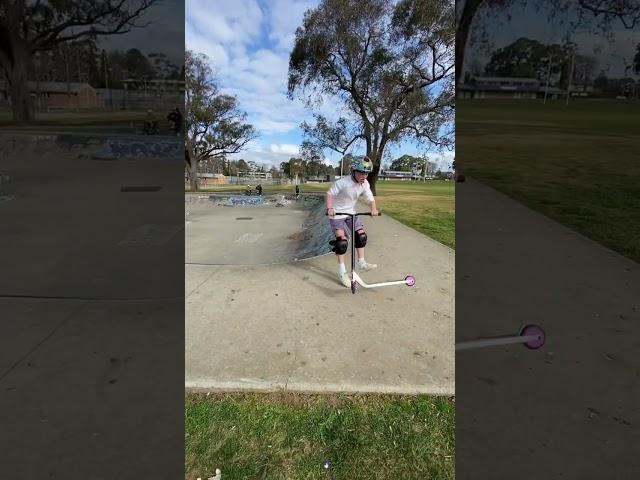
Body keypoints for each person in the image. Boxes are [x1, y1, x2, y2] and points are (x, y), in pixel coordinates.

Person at [326, 156, 379, 288]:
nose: (364, 176)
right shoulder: (343, 182)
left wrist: (373, 209)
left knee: (361, 236)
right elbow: (329, 194)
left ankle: (362, 263)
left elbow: (370, 197)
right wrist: (330, 208)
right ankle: (342, 272)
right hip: (337, 214)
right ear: (353, 170)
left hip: (351, 212)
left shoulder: (365, 184)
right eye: (361, 172)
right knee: (341, 242)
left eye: (366, 173)